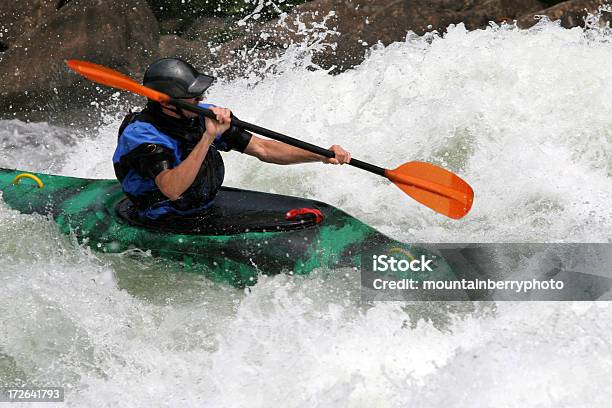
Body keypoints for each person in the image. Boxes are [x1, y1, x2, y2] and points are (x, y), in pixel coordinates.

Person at [113, 57, 351, 220]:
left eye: (200, 94)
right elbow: (172, 189)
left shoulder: (201, 114)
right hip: (161, 213)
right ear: (167, 102)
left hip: (201, 205)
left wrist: (320, 155)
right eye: (192, 96)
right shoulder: (142, 134)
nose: (200, 99)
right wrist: (208, 137)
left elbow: (263, 149)